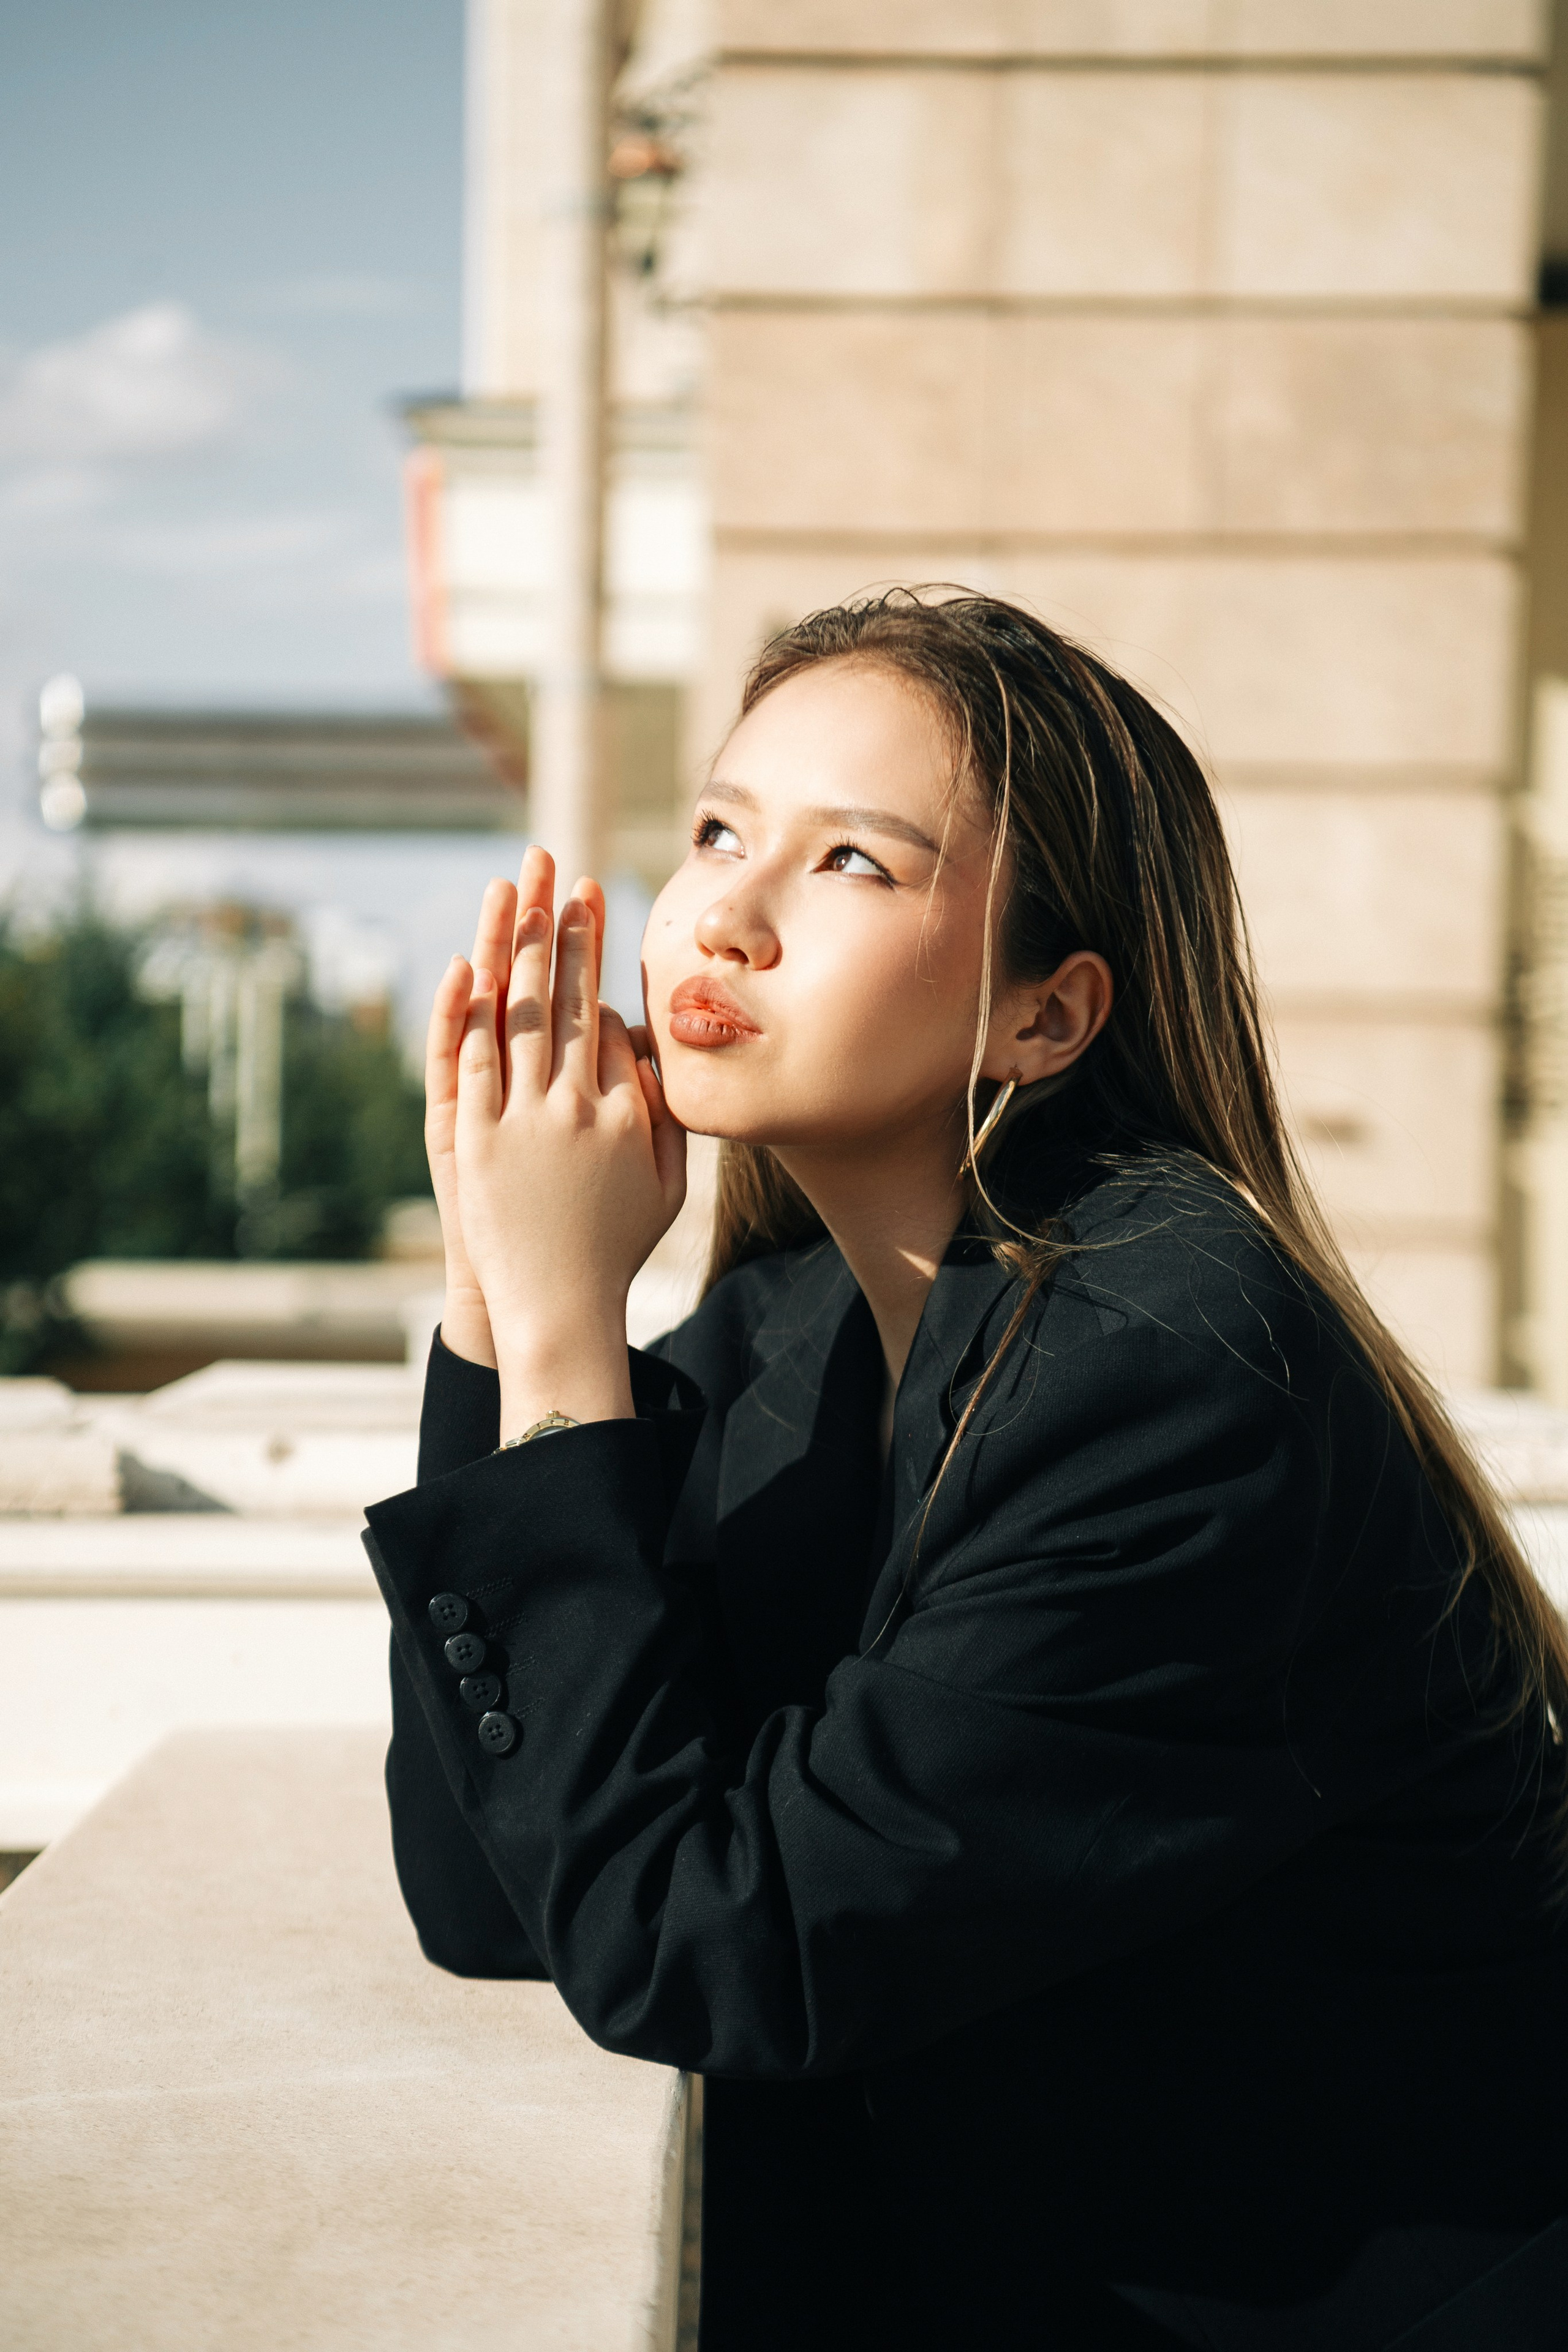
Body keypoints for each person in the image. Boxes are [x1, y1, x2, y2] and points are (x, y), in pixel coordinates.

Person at [364, 591, 1568, 2350]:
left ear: (1044, 1018)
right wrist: (500, 1303)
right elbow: (498, 1889)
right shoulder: (791, 1331)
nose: (728, 917)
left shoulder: (1168, 1376)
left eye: (854, 862)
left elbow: (705, 1950)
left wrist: (560, 1332)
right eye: (721, 832)